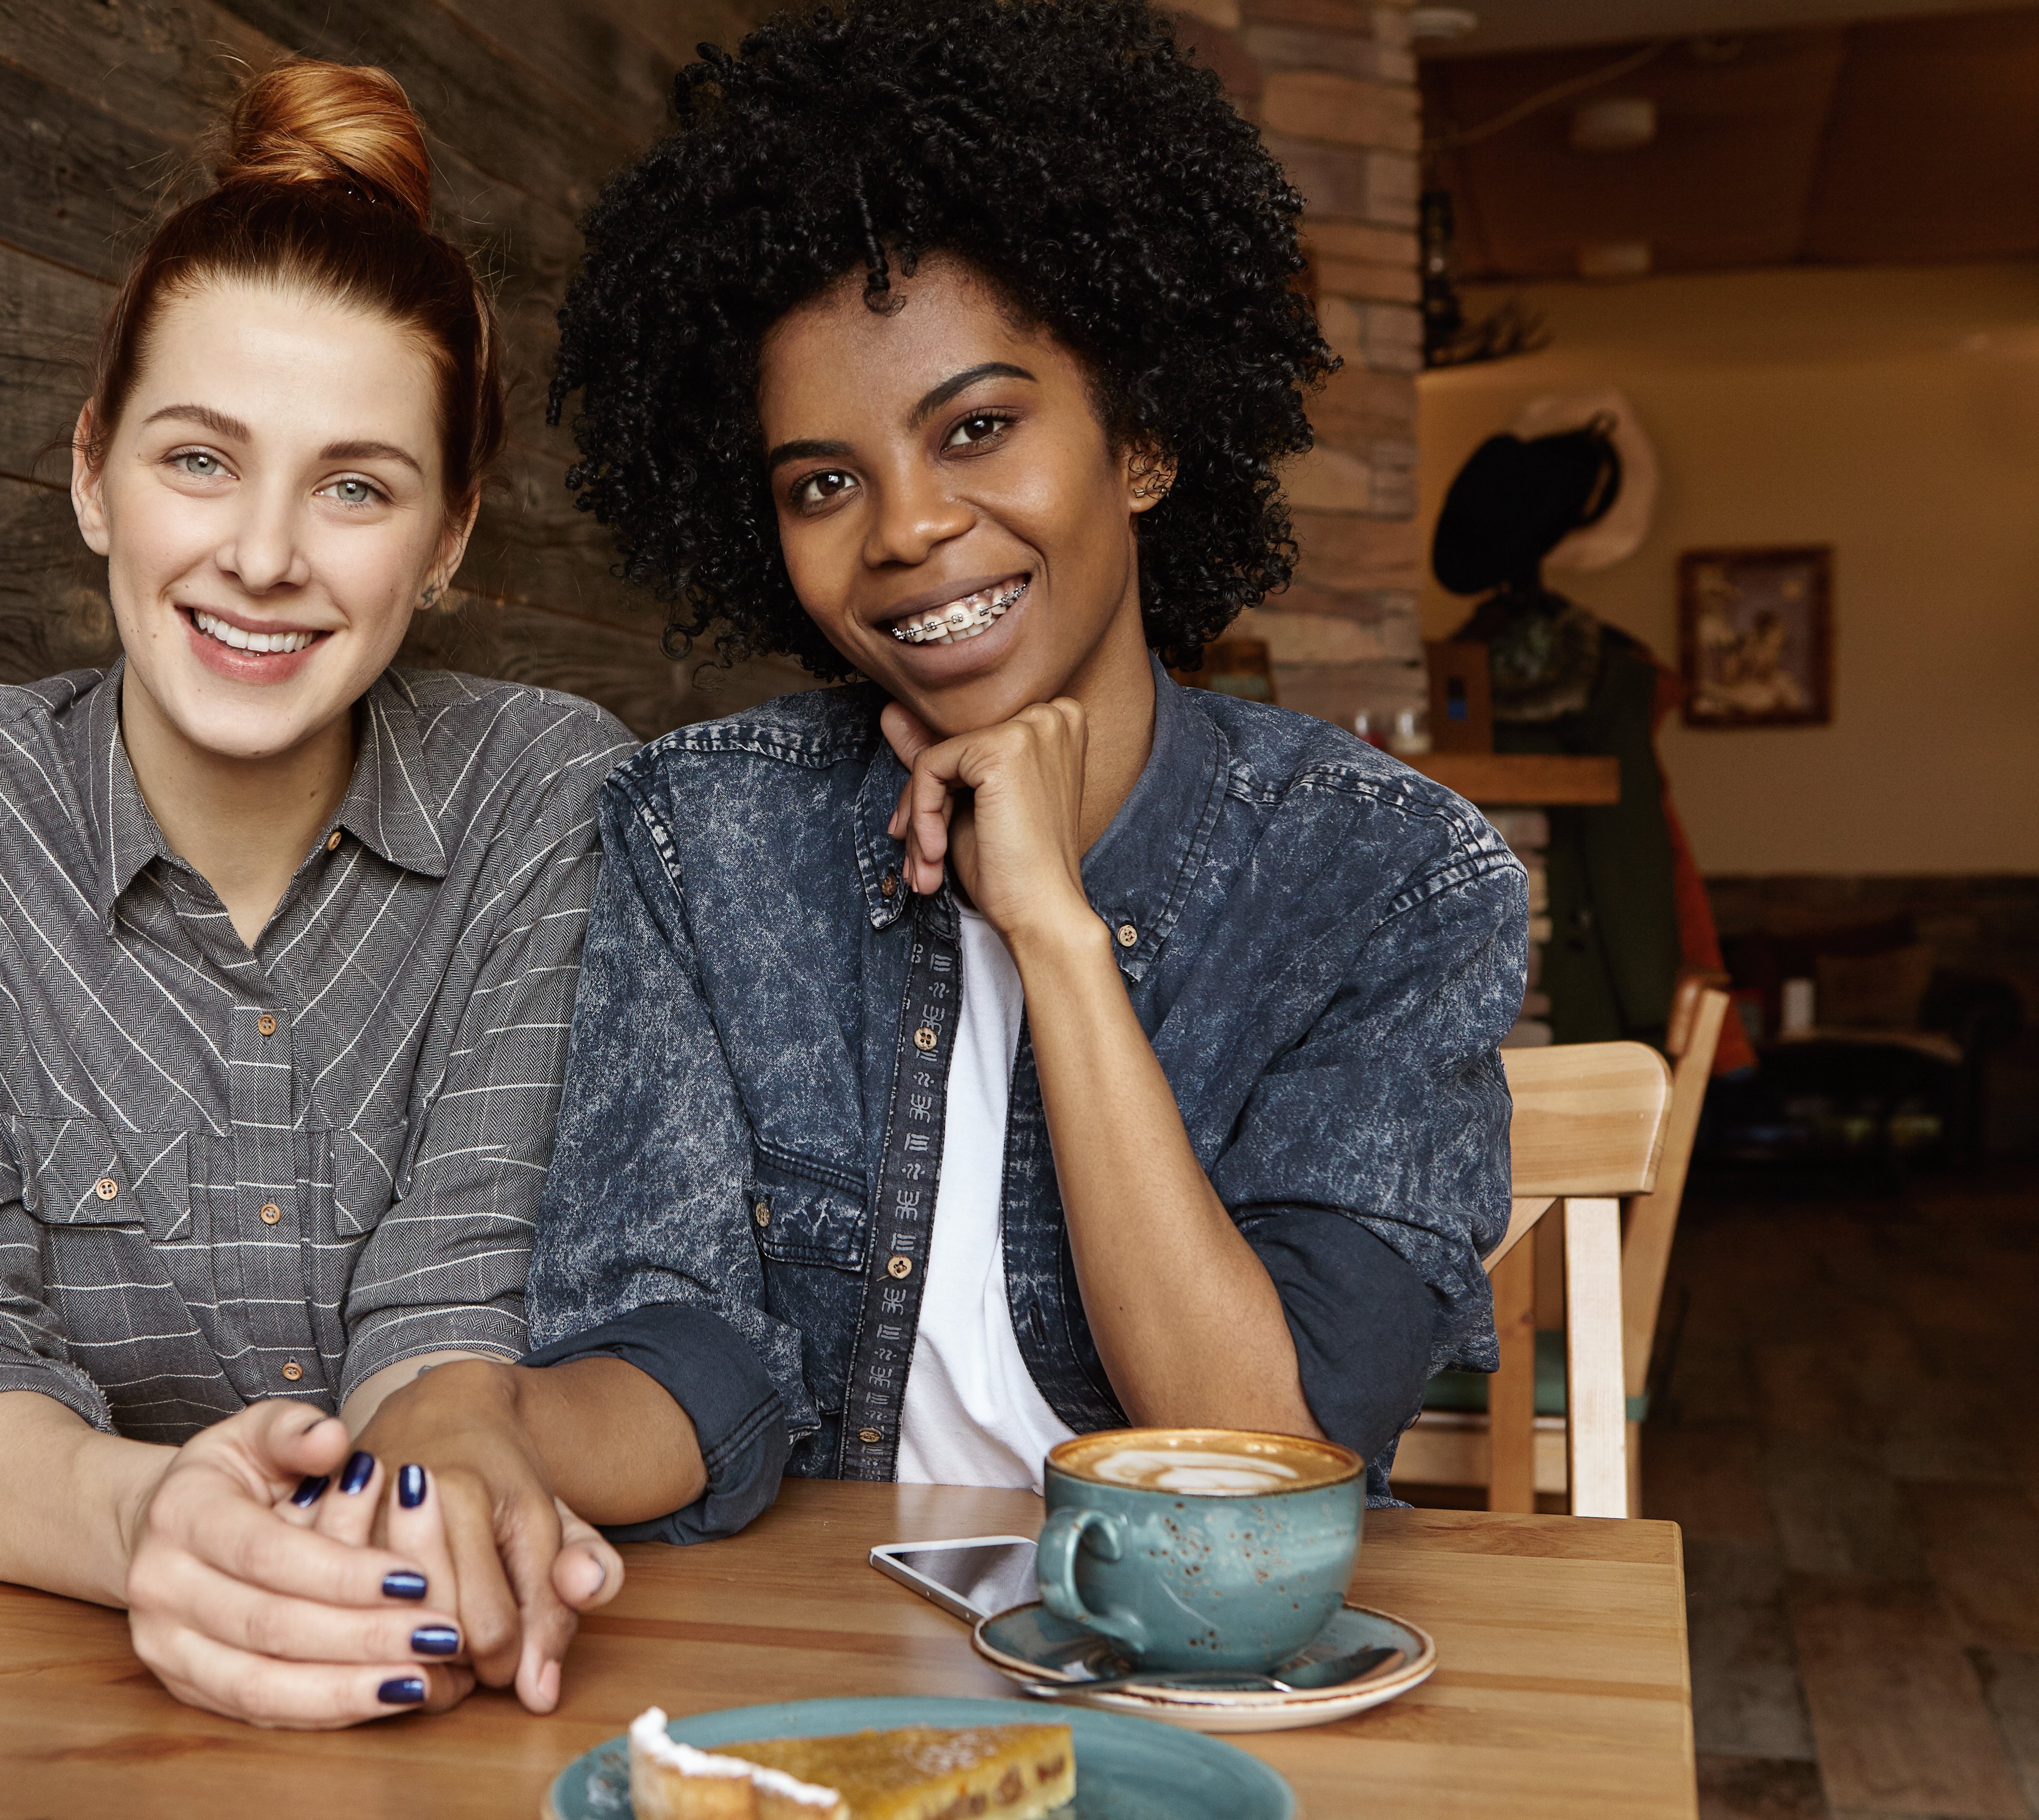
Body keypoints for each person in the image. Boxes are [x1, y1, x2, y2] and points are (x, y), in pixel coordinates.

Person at [352, 0, 1528, 1565]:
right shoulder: (699, 837)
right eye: (824, 483)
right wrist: (473, 1422)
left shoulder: (1392, 880)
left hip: (1215, 1698)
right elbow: (686, 1361)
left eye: (977, 427)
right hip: (813, 1671)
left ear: (1146, 440)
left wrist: (1050, 927)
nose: (904, 529)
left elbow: (1269, 1461)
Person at [0, 61, 632, 1730]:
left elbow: (454, 1295)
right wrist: (147, 1521)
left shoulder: (551, 793)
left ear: (447, 541)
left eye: (356, 486)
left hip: (438, 1685)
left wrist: (449, 1476)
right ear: (95, 471)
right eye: (200, 459)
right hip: (32, 1708)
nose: (262, 555)